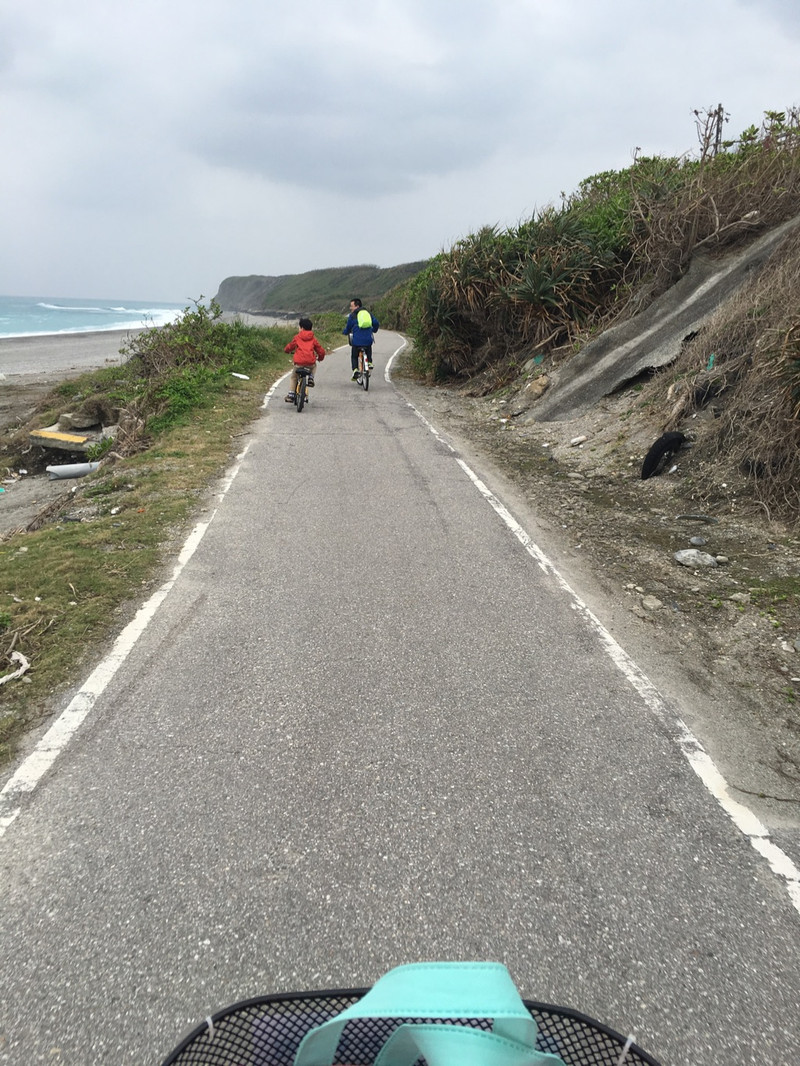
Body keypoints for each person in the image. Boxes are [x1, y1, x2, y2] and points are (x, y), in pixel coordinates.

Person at [284, 317, 326, 402]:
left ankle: (291, 394)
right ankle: (311, 377)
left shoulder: (297, 337)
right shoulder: (313, 339)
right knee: (314, 365)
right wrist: (320, 358)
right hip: (310, 363)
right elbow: (320, 350)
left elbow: (290, 346)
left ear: (302, 328)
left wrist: (286, 350)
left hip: (299, 363)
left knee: (293, 377)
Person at [342, 298, 379, 381]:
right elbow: (376, 323)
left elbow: (348, 327)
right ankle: (369, 363)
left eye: (352, 306)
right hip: (368, 340)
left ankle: (355, 370)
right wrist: (374, 330)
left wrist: (344, 332)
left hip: (357, 342)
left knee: (354, 355)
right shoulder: (368, 314)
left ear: (357, 306)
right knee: (368, 347)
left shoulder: (352, 316)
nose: (350, 308)